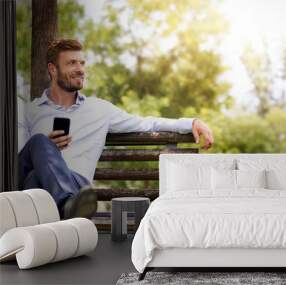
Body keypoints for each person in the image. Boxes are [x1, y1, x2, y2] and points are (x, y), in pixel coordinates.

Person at [18, 38, 214, 219]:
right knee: (38, 150)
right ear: (53, 69)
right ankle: (66, 208)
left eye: (82, 63)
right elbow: (17, 160)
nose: (80, 69)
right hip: (38, 192)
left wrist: (191, 122)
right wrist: (45, 151)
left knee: (36, 169)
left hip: (78, 189)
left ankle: (63, 207)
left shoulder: (99, 109)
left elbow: (146, 123)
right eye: (72, 63)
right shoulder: (29, 111)